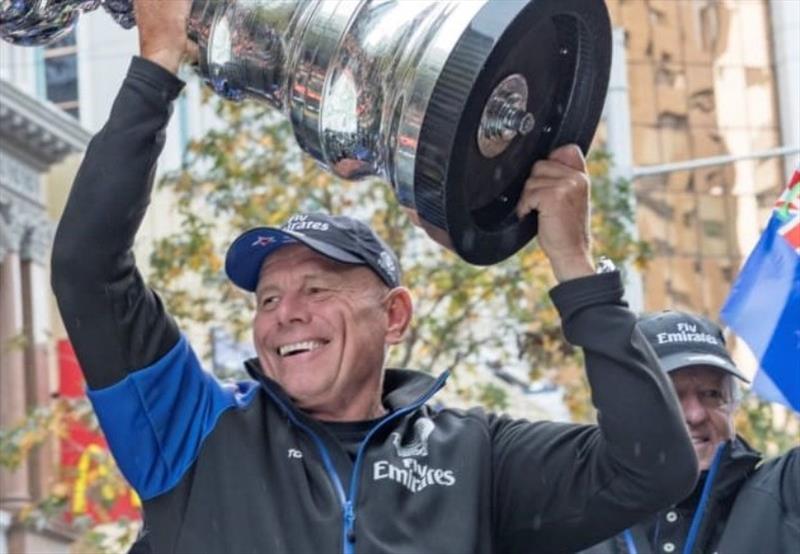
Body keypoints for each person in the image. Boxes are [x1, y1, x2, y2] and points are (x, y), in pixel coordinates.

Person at [50, 1, 696, 552]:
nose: (284, 313)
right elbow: (88, 271)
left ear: (393, 315)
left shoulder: (474, 456)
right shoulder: (195, 430)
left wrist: (574, 264)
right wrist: (158, 63)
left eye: (316, 289)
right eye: (268, 298)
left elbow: (653, 470)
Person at [579, 310, 800, 554]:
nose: (695, 415)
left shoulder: (783, 495)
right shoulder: (573, 518)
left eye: (712, 394)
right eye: (671, 395)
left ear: (732, 406)